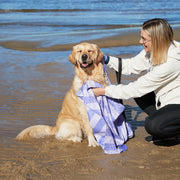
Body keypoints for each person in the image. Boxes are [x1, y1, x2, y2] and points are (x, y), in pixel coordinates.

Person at [92, 18, 180, 142]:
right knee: (142, 95)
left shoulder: (171, 63)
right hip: (168, 99)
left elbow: (134, 89)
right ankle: (169, 123)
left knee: (153, 126)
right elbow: (130, 66)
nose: (140, 41)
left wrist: (101, 91)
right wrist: (106, 59)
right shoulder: (157, 49)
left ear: (157, 40)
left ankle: (171, 126)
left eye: (144, 39)